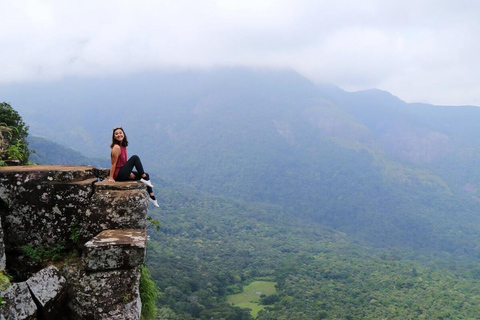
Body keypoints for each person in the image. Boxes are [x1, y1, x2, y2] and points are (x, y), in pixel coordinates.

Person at [108, 127, 159, 207]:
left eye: (120, 133)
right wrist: (111, 177)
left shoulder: (123, 146)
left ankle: (152, 198)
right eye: (116, 134)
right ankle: (143, 177)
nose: (119, 135)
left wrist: (129, 172)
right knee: (135, 158)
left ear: (123, 134)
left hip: (124, 172)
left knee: (147, 175)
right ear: (114, 136)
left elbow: (125, 163)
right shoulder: (116, 147)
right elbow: (113, 163)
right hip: (118, 174)